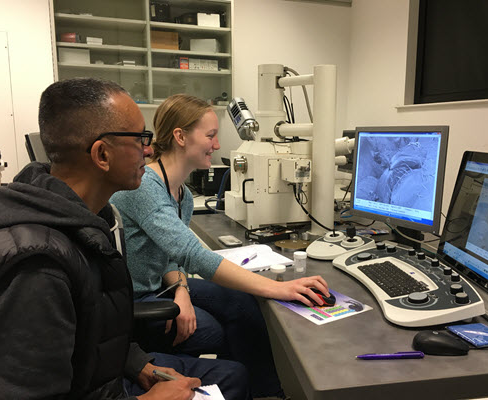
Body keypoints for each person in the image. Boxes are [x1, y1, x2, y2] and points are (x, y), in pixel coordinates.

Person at [0, 78, 250, 400]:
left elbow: (97, 331)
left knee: (232, 374)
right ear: (102, 154)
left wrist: (138, 364)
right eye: (140, 138)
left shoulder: (94, 219)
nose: (149, 149)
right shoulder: (38, 266)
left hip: (112, 371)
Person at [110, 94, 330, 399]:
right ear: (180, 137)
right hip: (135, 301)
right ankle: (229, 383)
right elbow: (195, 256)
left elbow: (172, 256)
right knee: (215, 330)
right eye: (211, 136)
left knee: (240, 300)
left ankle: (265, 392)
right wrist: (280, 288)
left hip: (159, 286)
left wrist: (182, 291)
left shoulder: (182, 195)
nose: (216, 145)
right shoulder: (145, 187)